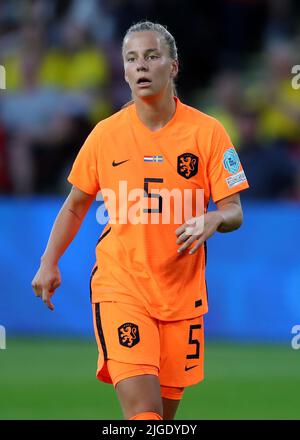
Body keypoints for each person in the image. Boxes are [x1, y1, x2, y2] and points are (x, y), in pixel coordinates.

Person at [31, 21, 249, 420]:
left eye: (152, 56)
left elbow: (235, 210)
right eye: (132, 59)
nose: (141, 66)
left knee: (162, 420)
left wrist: (215, 218)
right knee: (143, 415)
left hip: (182, 295)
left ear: (173, 66)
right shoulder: (105, 135)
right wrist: (49, 261)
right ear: (125, 71)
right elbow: (76, 204)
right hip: (122, 287)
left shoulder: (209, 133)